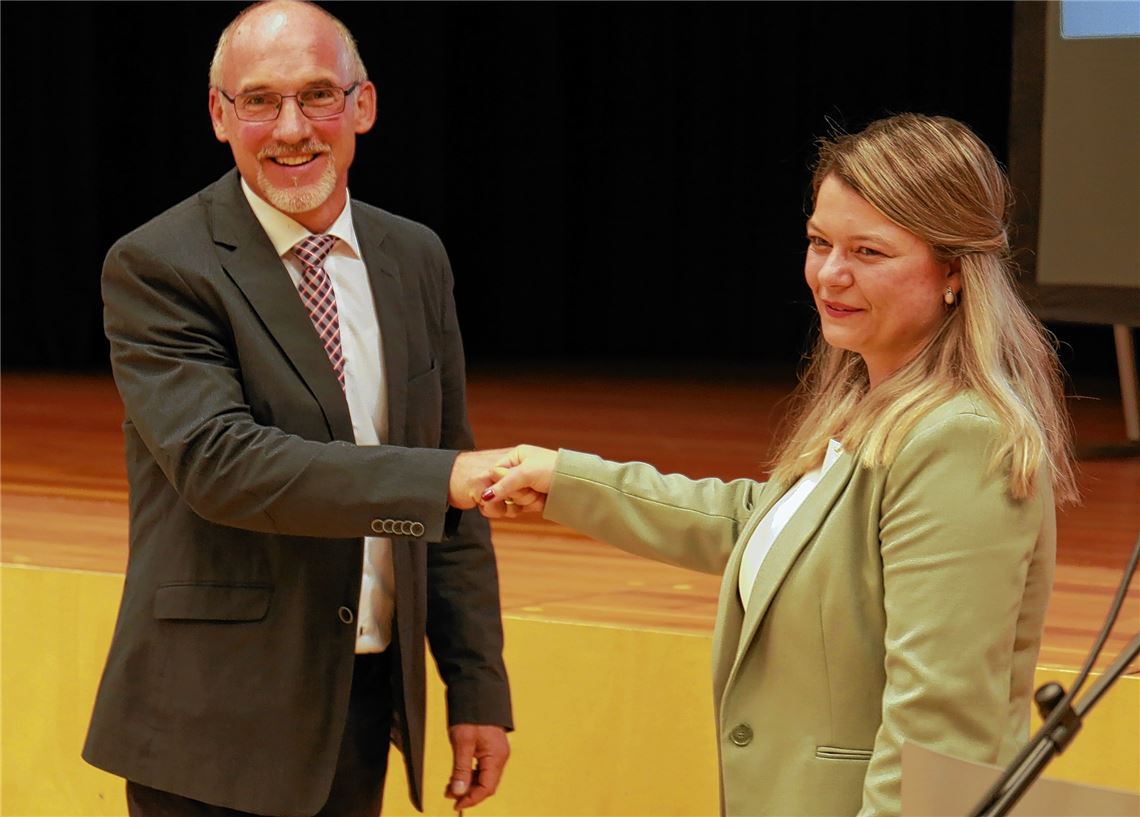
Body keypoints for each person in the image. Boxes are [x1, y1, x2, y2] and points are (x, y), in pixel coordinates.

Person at [478, 114, 1078, 817]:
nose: (831, 273)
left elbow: (939, 728)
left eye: (870, 251)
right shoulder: (874, 402)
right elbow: (761, 526)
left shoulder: (960, 439)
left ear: (953, 270)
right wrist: (566, 481)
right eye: (819, 242)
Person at [82, 2, 513, 815]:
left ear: (363, 106)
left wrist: (476, 684)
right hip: (211, 724)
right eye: (259, 100)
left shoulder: (414, 256)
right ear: (219, 114)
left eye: (318, 95)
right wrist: (445, 477)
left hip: (359, 707)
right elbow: (224, 467)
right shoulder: (157, 264)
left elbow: (450, 478)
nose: (291, 128)